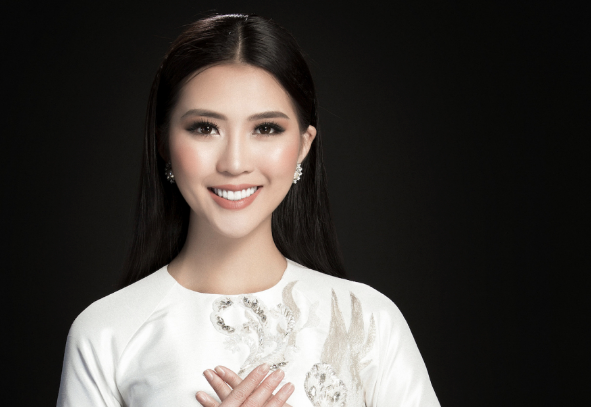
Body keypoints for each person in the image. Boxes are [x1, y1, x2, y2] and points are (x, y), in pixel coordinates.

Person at [57, 13, 440, 407]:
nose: (235, 163)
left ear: (303, 145)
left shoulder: (371, 322)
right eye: (205, 127)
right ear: (163, 143)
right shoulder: (106, 333)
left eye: (266, 128)